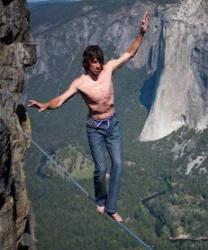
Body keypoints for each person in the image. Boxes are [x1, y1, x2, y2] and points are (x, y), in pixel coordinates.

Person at [28, 11, 149, 222]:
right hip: (95, 127)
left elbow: (129, 53)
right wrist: (46, 105)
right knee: (101, 169)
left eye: (100, 61)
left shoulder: (109, 69)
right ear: (87, 63)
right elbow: (61, 99)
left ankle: (111, 208)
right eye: (94, 62)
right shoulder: (80, 83)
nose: (98, 65)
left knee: (118, 165)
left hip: (113, 125)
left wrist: (141, 33)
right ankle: (100, 199)